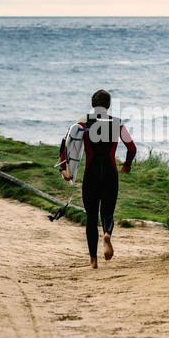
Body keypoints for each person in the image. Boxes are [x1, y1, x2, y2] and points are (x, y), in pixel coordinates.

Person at [59, 89, 136, 269]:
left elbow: (68, 144)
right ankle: (107, 234)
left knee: (91, 217)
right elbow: (132, 148)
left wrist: (64, 168)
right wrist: (127, 164)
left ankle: (93, 260)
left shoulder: (82, 121)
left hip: (91, 174)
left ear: (92, 104)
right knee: (107, 212)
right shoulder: (118, 123)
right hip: (110, 173)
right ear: (108, 106)